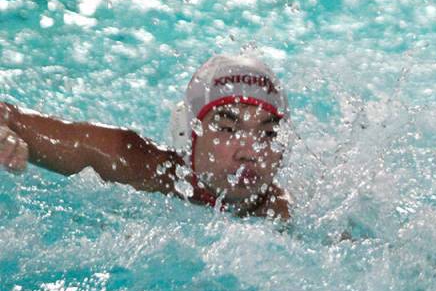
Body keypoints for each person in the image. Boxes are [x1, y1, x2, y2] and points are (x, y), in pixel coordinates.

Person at [0, 53, 291, 220]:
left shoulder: (283, 212)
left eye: (268, 132)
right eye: (227, 128)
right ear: (190, 136)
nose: (251, 151)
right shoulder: (134, 163)